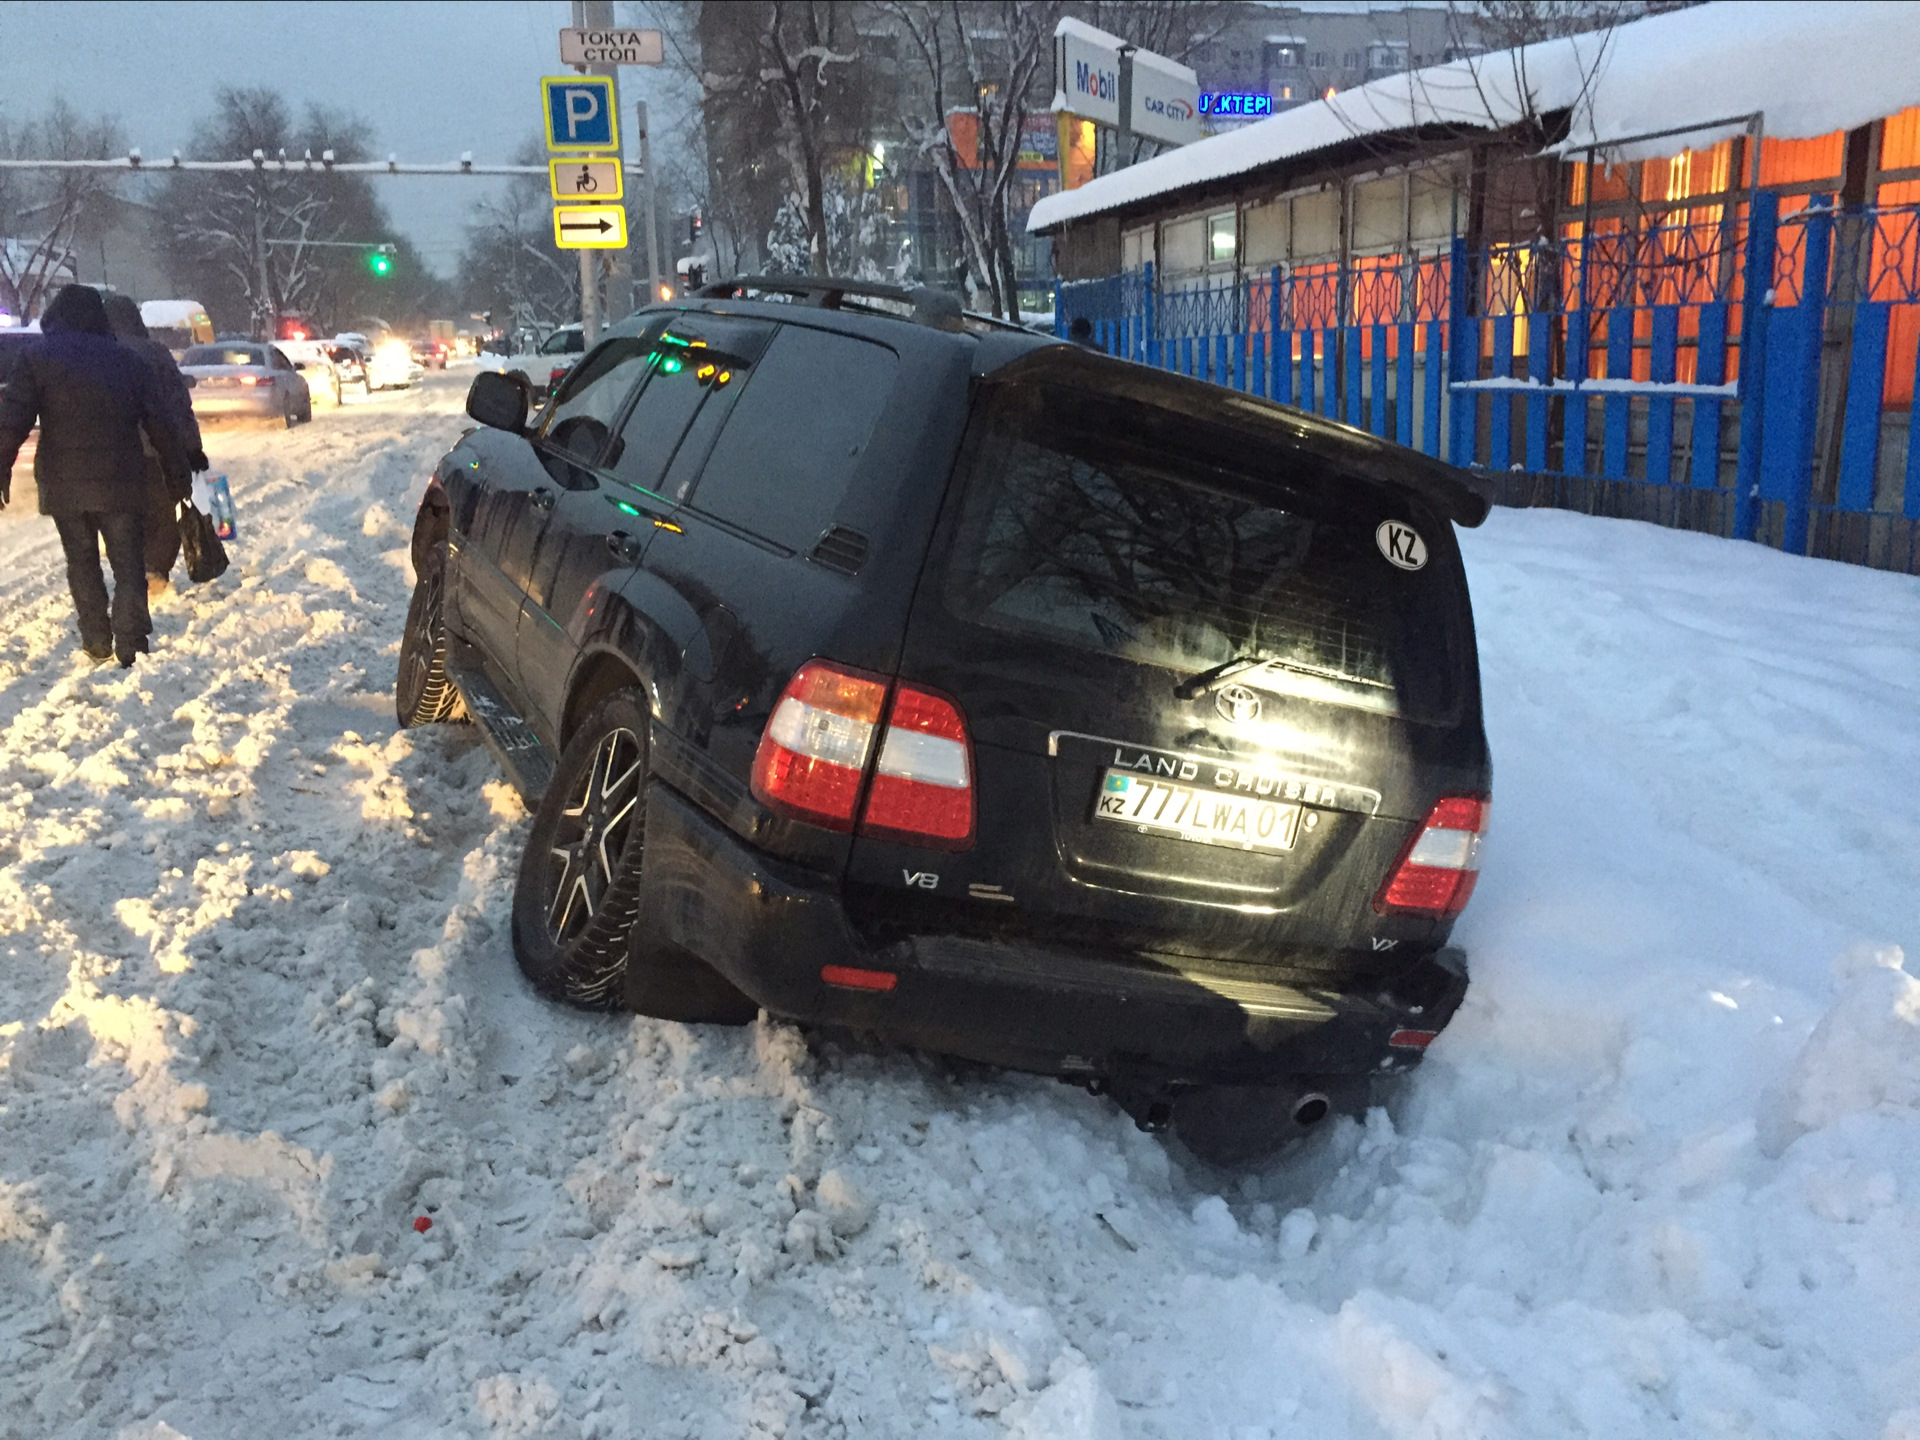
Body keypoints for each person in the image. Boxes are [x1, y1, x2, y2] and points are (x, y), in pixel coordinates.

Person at [0, 284, 190, 667]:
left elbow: (13, 420)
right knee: (128, 562)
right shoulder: (127, 361)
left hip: (63, 482)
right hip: (121, 479)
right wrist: (177, 472)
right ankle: (131, 640)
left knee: (81, 560)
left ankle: (96, 638)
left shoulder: (37, 358)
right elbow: (160, 424)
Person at [102, 293, 208, 597]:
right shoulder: (155, 353)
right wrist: (192, 448)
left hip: (112, 456)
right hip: (156, 451)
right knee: (165, 514)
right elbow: (178, 404)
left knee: (125, 517)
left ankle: (133, 572)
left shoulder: (94, 355)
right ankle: (154, 572)